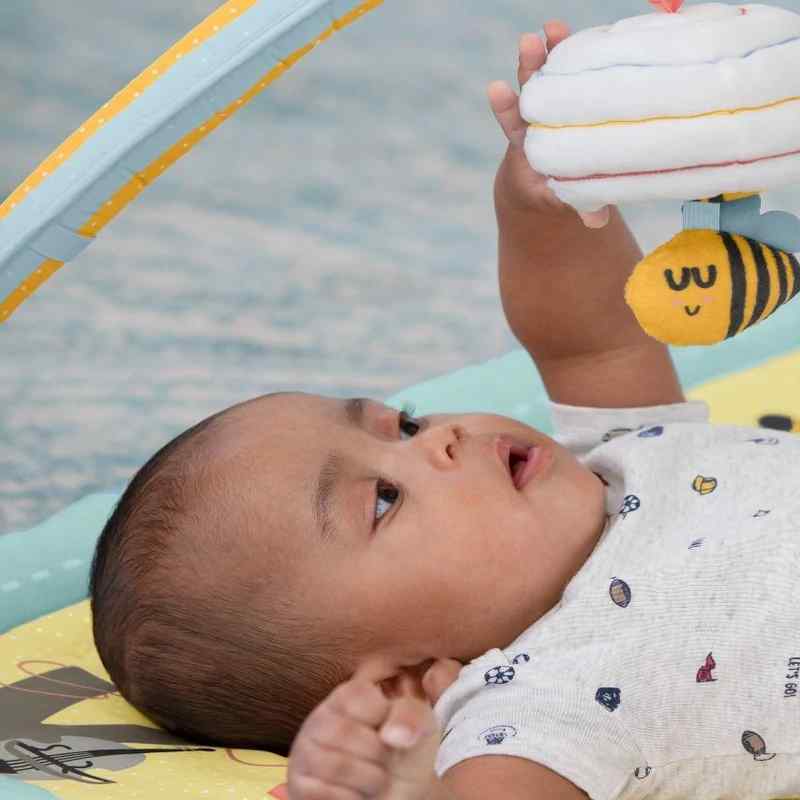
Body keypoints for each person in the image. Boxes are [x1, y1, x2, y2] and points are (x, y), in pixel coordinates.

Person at [88, 21, 800, 800]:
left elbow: (588, 339)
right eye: (384, 499)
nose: (442, 440)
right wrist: (409, 783)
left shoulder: (619, 453)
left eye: (405, 424)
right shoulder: (538, 705)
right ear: (405, 682)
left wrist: (545, 192)